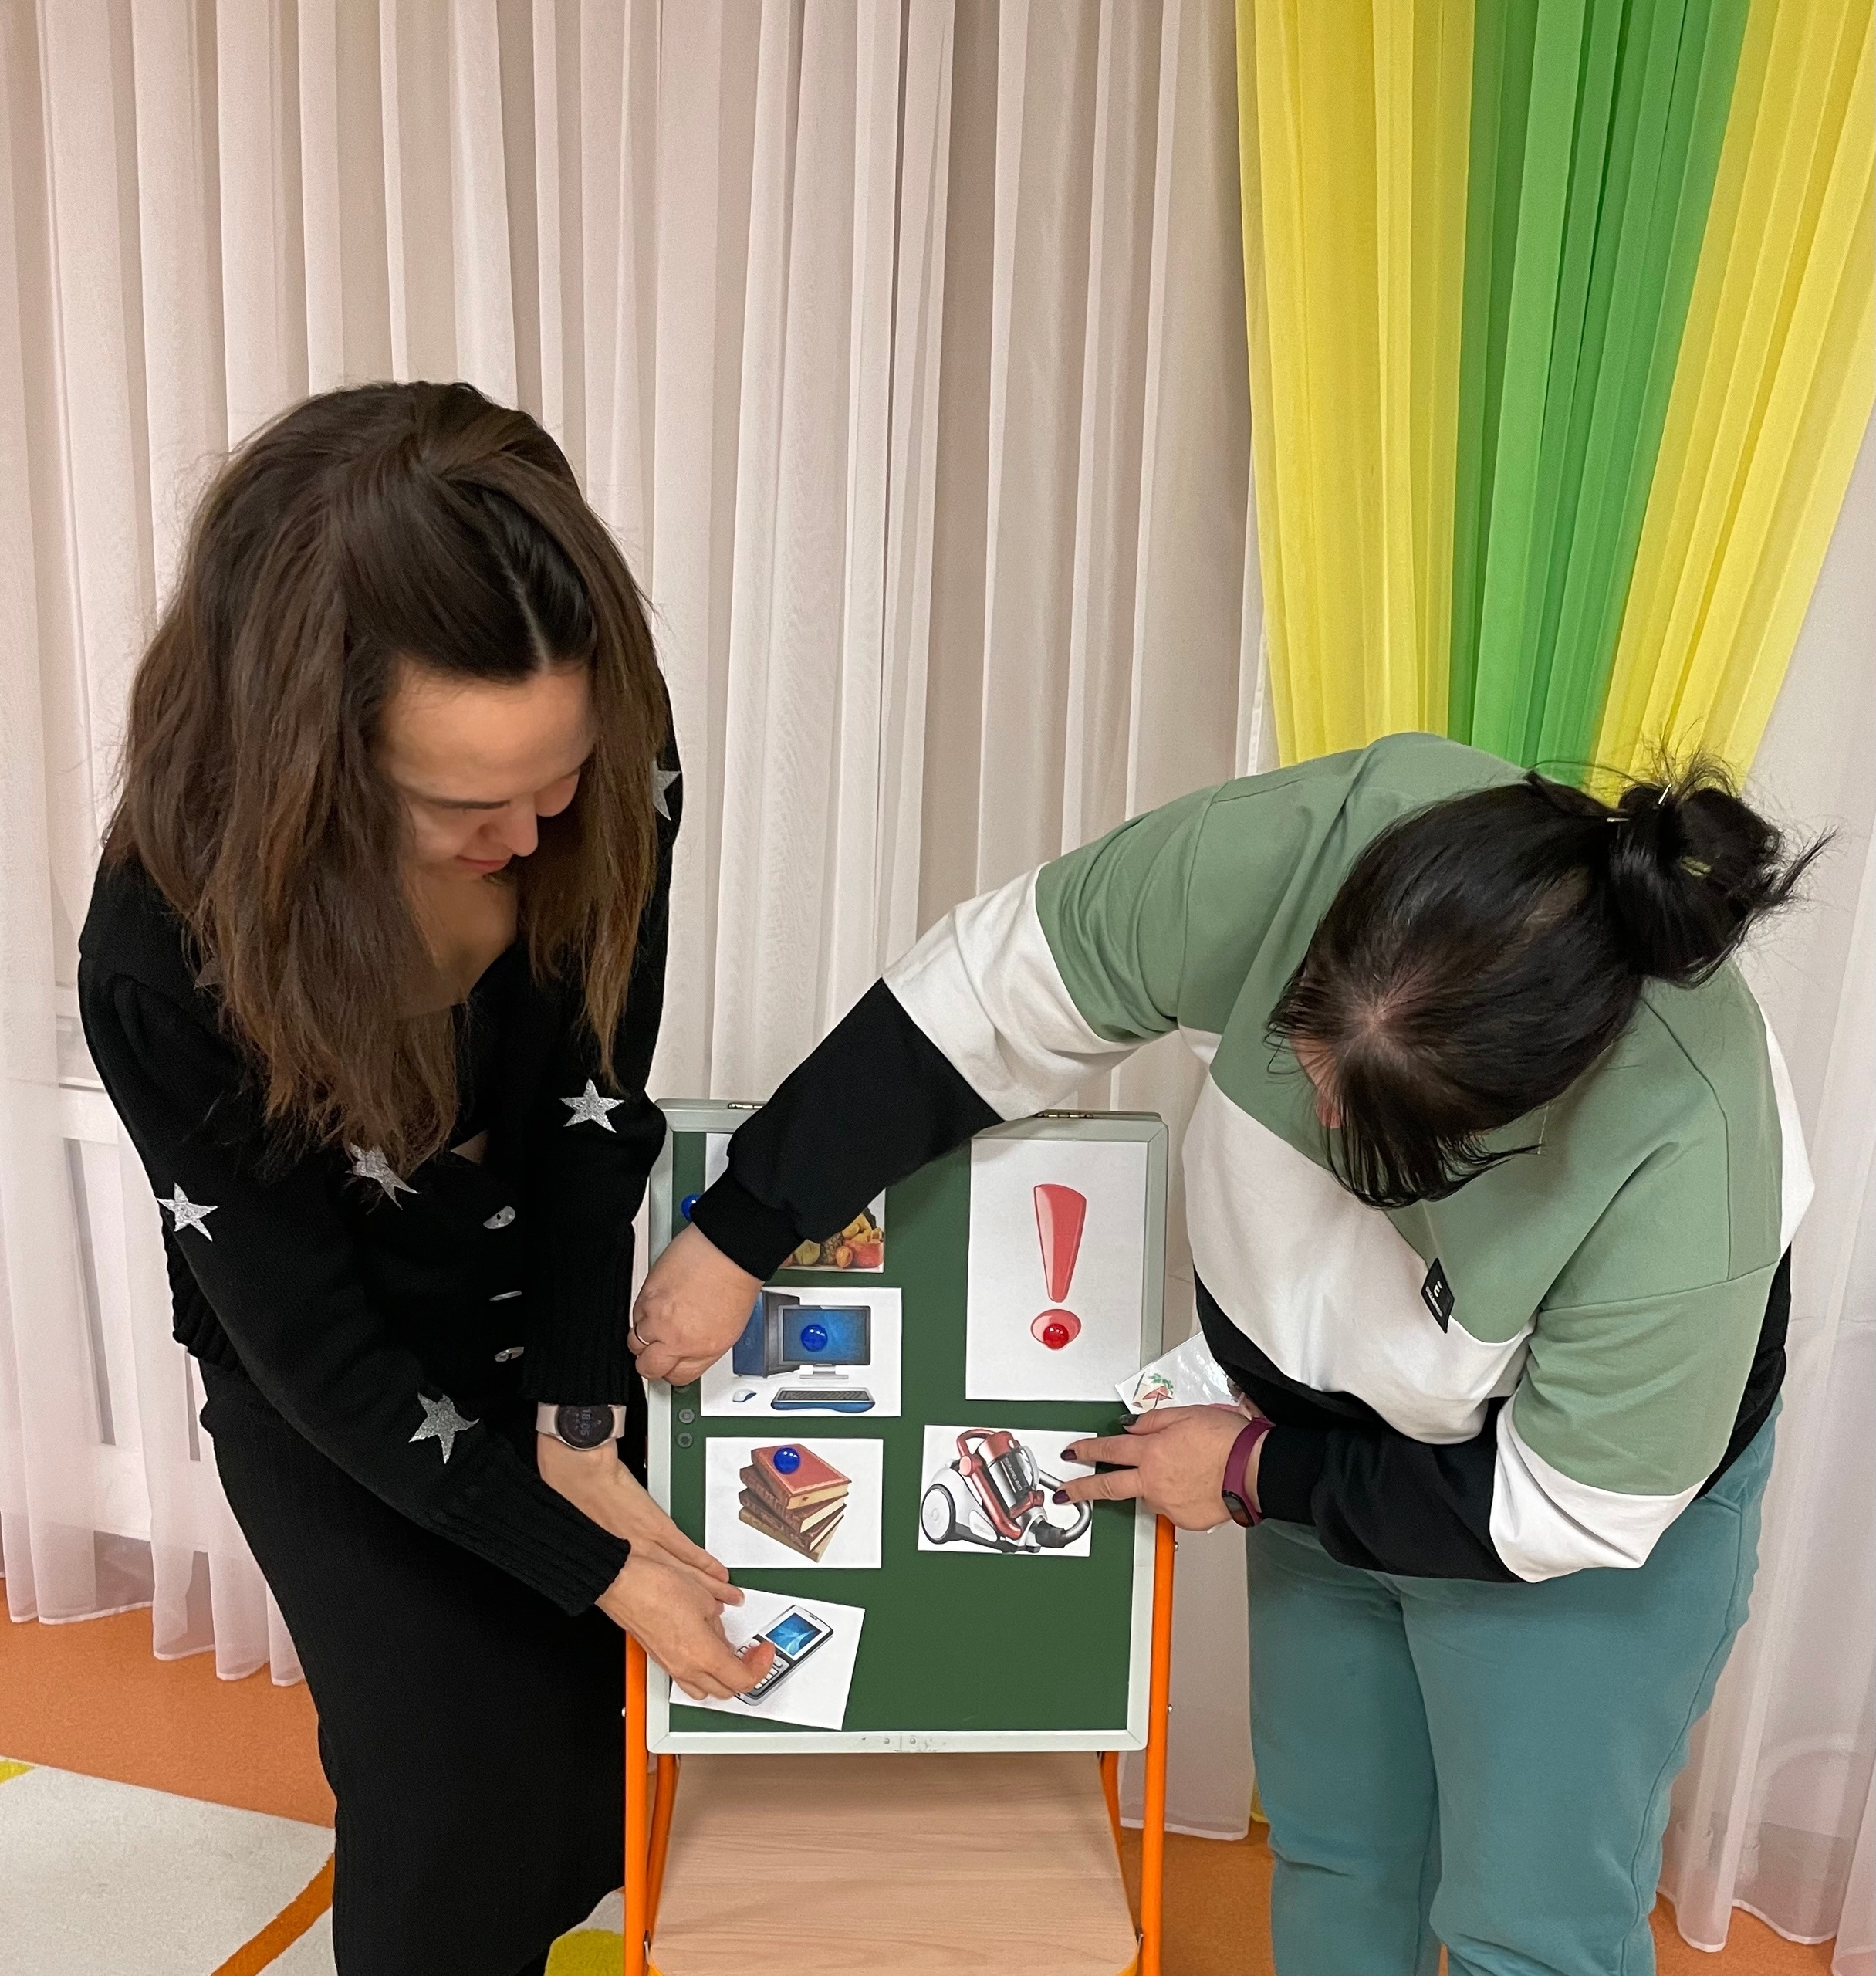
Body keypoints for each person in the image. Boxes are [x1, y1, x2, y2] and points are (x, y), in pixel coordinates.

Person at [631, 732, 1815, 1976]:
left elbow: (1567, 1505)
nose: (1321, 1122)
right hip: (1302, 1435)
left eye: (1380, 1134)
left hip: (1540, 1503)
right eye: (1308, 1058)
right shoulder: (1301, 849)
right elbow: (981, 998)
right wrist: (744, 1227)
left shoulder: (1690, 1157)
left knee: (1528, 1924)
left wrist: (1255, 1471)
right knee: (1338, 1853)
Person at [79, 381, 767, 1976]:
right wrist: (592, 1562)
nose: (532, 830)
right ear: (310, 767)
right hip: (332, 1389)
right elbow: (316, 1352)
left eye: (560, 775)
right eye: (464, 803)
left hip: (533, 1311)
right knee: (448, 1798)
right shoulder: (167, 950)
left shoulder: (608, 762)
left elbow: (594, 1109)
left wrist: (580, 1421)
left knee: (590, 1769)